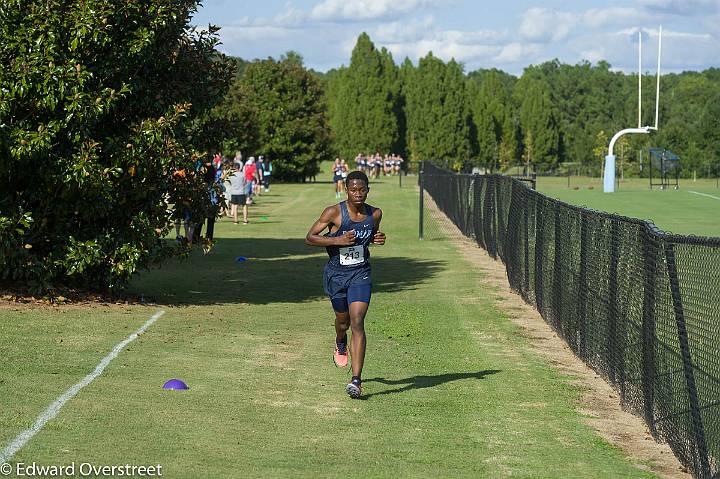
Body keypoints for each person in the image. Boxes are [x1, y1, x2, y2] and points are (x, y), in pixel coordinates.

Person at [305, 171, 386, 399]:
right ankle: (340, 341)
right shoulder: (334, 212)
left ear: (368, 190)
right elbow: (310, 237)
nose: (358, 194)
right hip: (337, 275)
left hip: (361, 273)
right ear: (346, 190)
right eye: (353, 190)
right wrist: (337, 240)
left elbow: (369, 236)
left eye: (362, 190)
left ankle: (356, 381)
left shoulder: (375, 214)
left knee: (358, 321)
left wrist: (377, 238)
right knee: (344, 322)